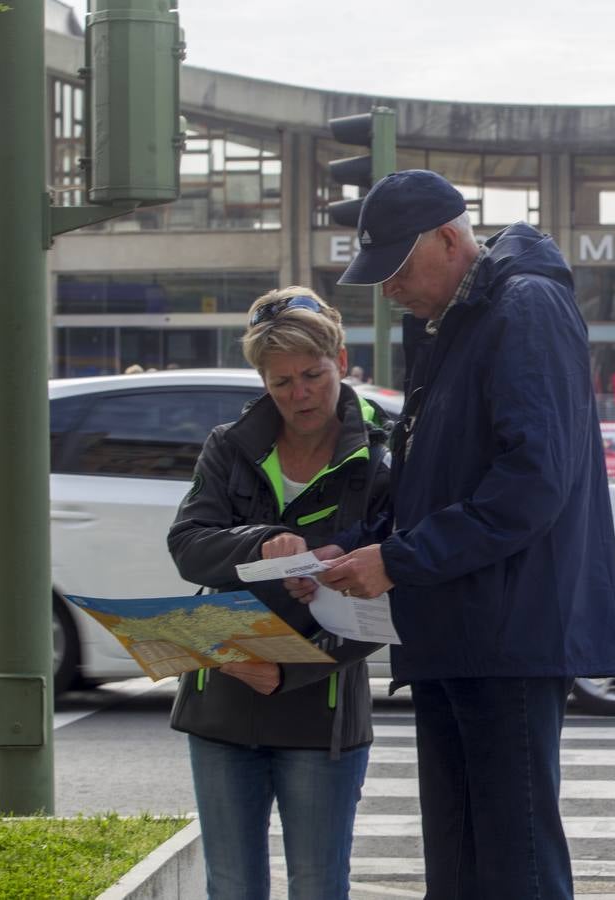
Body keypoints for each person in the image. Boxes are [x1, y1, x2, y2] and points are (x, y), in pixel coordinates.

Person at [322, 170, 615, 897]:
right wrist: (363, 542)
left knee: (513, 862)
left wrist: (398, 559)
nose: (388, 285)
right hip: (462, 622)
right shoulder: (458, 319)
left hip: (505, 628)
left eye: (399, 265)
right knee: (463, 864)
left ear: (450, 237)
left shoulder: (523, 306)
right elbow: (441, 473)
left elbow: (532, 483)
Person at [167, 287, 392, 900]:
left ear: (341, 360)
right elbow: (188, 543)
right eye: (281, 382)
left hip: (319, 712)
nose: (299, 396)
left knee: (319, 887)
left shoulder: (383, 455)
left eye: (312, 376)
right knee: (232, 886)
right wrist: (262, 542)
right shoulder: (230, 444)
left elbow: (390, 595)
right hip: (223, 696)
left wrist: (285, 671)